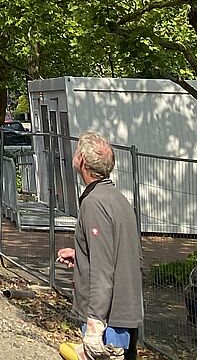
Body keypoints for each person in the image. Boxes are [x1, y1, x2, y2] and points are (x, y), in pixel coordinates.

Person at [55, 132, 143, 360]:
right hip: (123, 316)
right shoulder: (117, 199)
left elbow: (103, 270)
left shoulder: (94, 203)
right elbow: (118, 253)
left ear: (82, 161)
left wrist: (94, 326)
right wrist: (81, 256)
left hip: (108, 322)